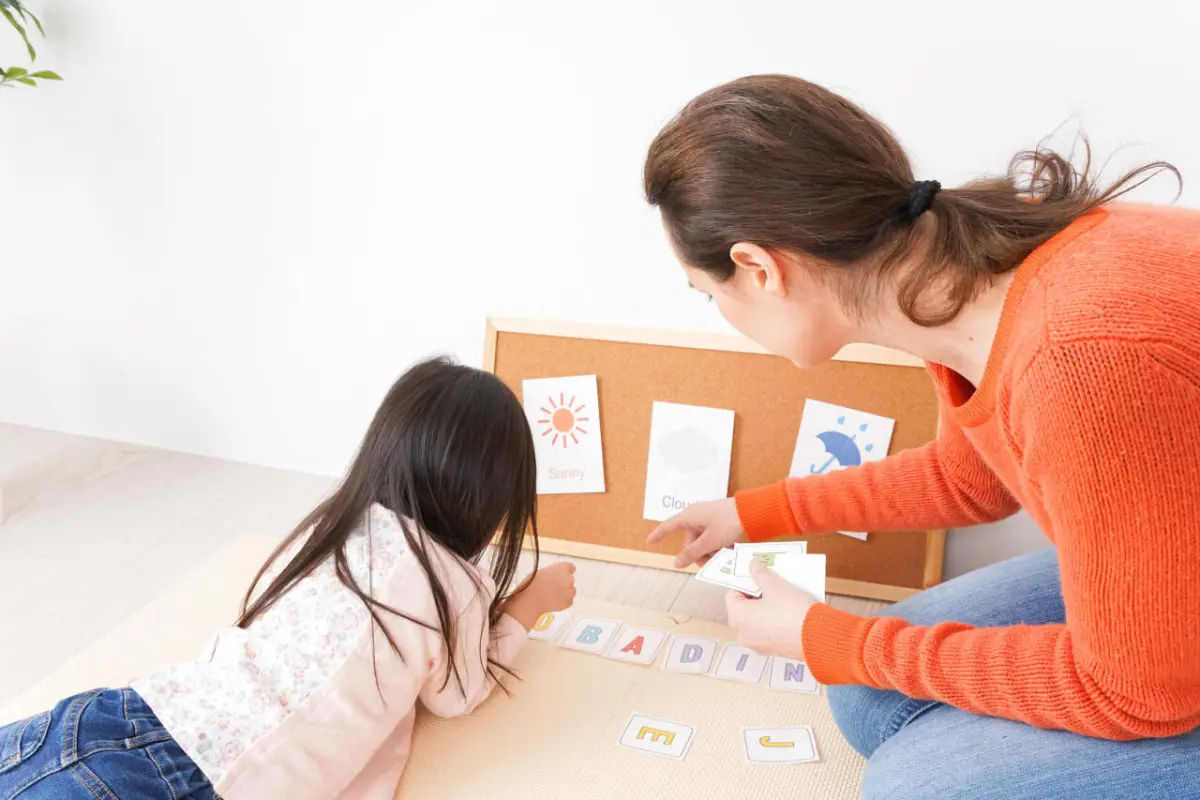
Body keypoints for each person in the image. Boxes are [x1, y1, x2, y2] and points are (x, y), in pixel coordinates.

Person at [643, 74, 1200, 798]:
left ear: (757, 267)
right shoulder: (971, 267)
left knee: (912, 784)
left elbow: (1136, 694)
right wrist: (753, 513)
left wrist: (834, 639)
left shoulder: (1079, 363)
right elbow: (968, 479)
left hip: (1154, 670)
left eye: (708, 292)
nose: (717, 310)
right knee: (866, 696)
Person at [0, 357, 576, 799]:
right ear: (492, 498)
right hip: (193, 777)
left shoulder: (332, 529)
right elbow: (457, 694)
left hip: (120, 713)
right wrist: (529, 603)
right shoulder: (452, 582)